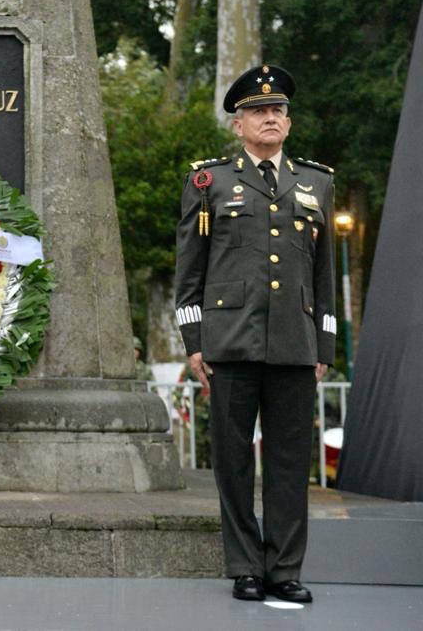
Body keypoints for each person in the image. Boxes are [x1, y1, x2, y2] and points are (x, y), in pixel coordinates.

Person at [174, 65, 335, 603]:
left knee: (291, 461)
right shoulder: (209, 181)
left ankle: (284, 569)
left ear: (288, 122)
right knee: (234, 459)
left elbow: (323, 274)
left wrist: (325, 346)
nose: (272, 117)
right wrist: (195, 345)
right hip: (230, 341)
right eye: (260, 111)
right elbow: (189, 274)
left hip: (295, 341)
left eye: (280, 110)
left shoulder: (316, 183)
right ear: (238, 124)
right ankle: (245, 564)